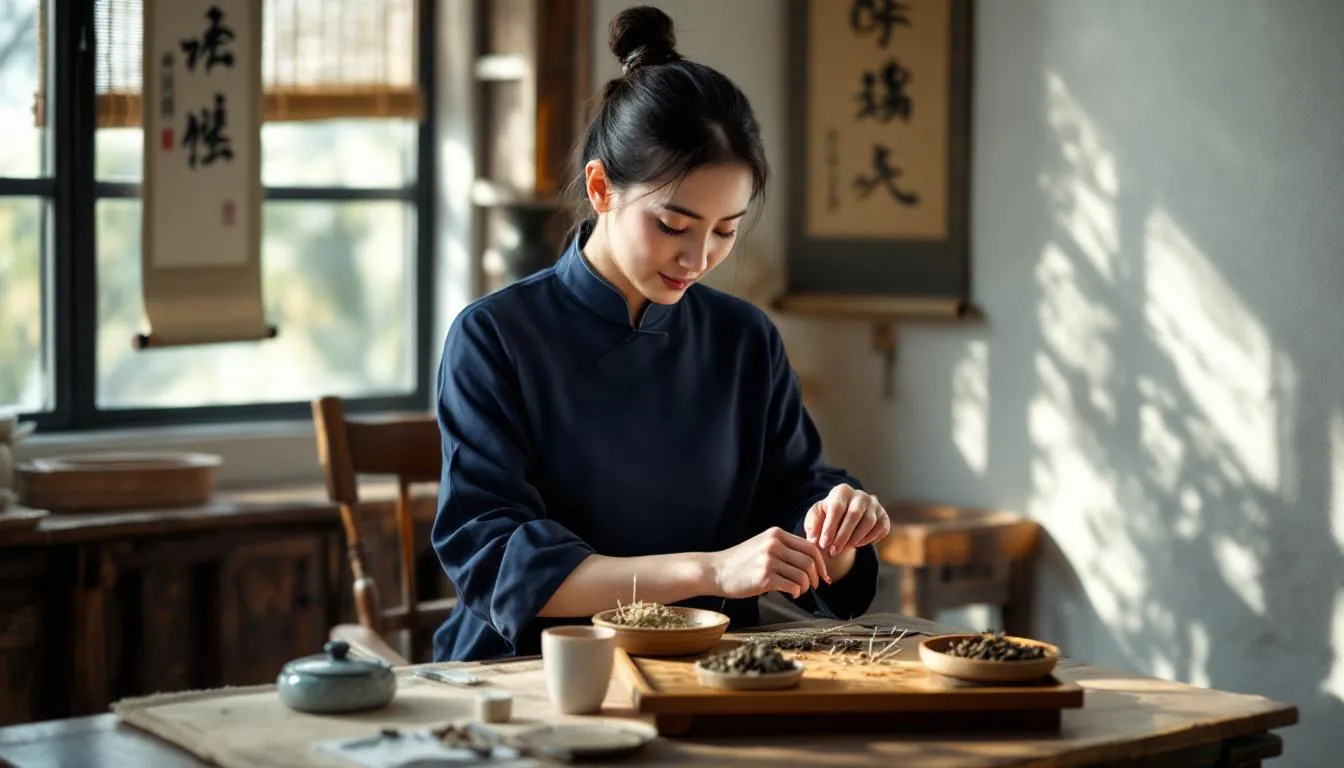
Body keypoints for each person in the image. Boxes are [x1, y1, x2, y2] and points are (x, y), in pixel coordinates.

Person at [430, 5, 890, 662]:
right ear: (600, 188)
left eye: (725, 230)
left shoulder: (744, 338)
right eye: (674, 225)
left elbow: (795, 491)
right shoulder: (495, 337)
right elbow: (501, 559)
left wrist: (834, 534)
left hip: (714, 672)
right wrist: (709, 572)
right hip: (532, 677)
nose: (697, 258)